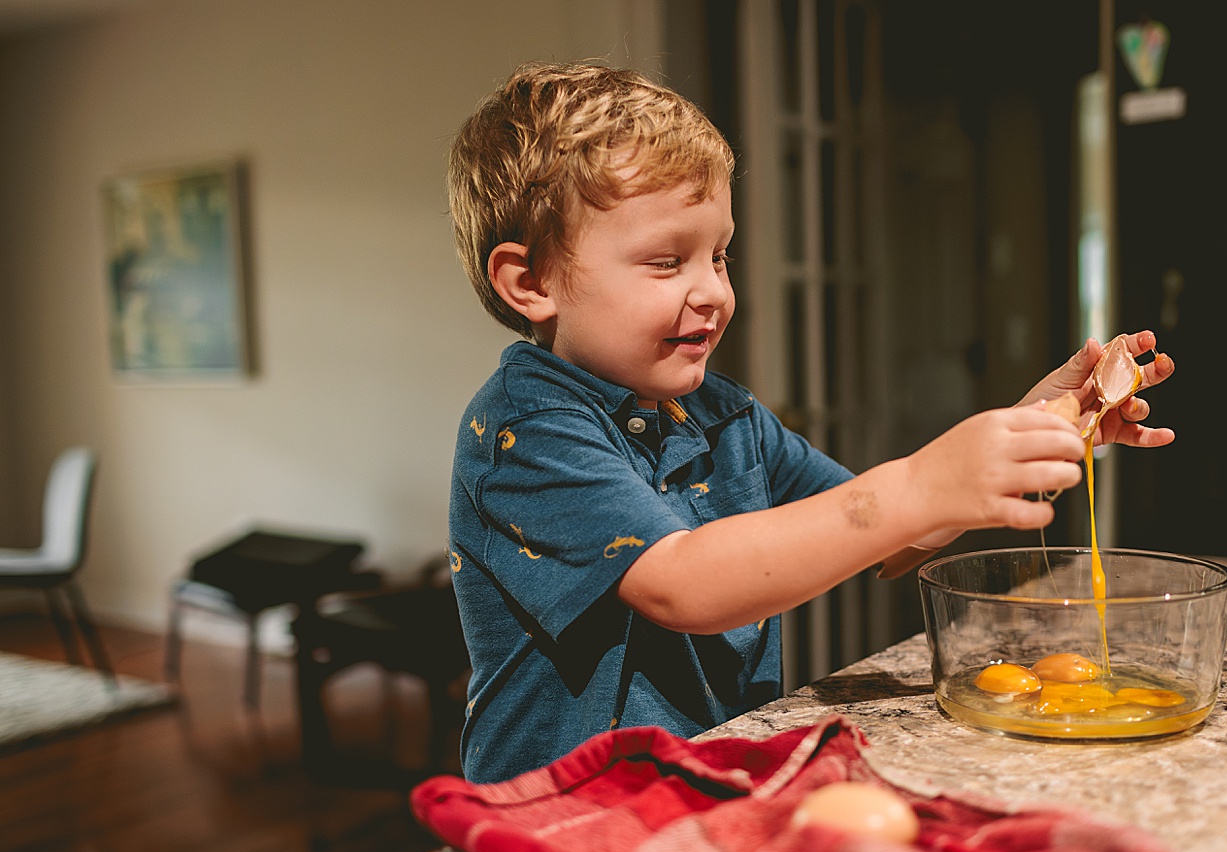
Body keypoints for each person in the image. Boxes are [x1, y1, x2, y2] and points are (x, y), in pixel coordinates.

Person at [445, 61, 1175, 784]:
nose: (712, 291)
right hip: (561, 817)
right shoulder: (526, 429)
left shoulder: (725, 417)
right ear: (531, 282)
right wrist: (921, 483)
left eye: (720, 255)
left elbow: (885, 539)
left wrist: (1027, 427)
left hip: (711, 789)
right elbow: (681, 583)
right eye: (667, 262)